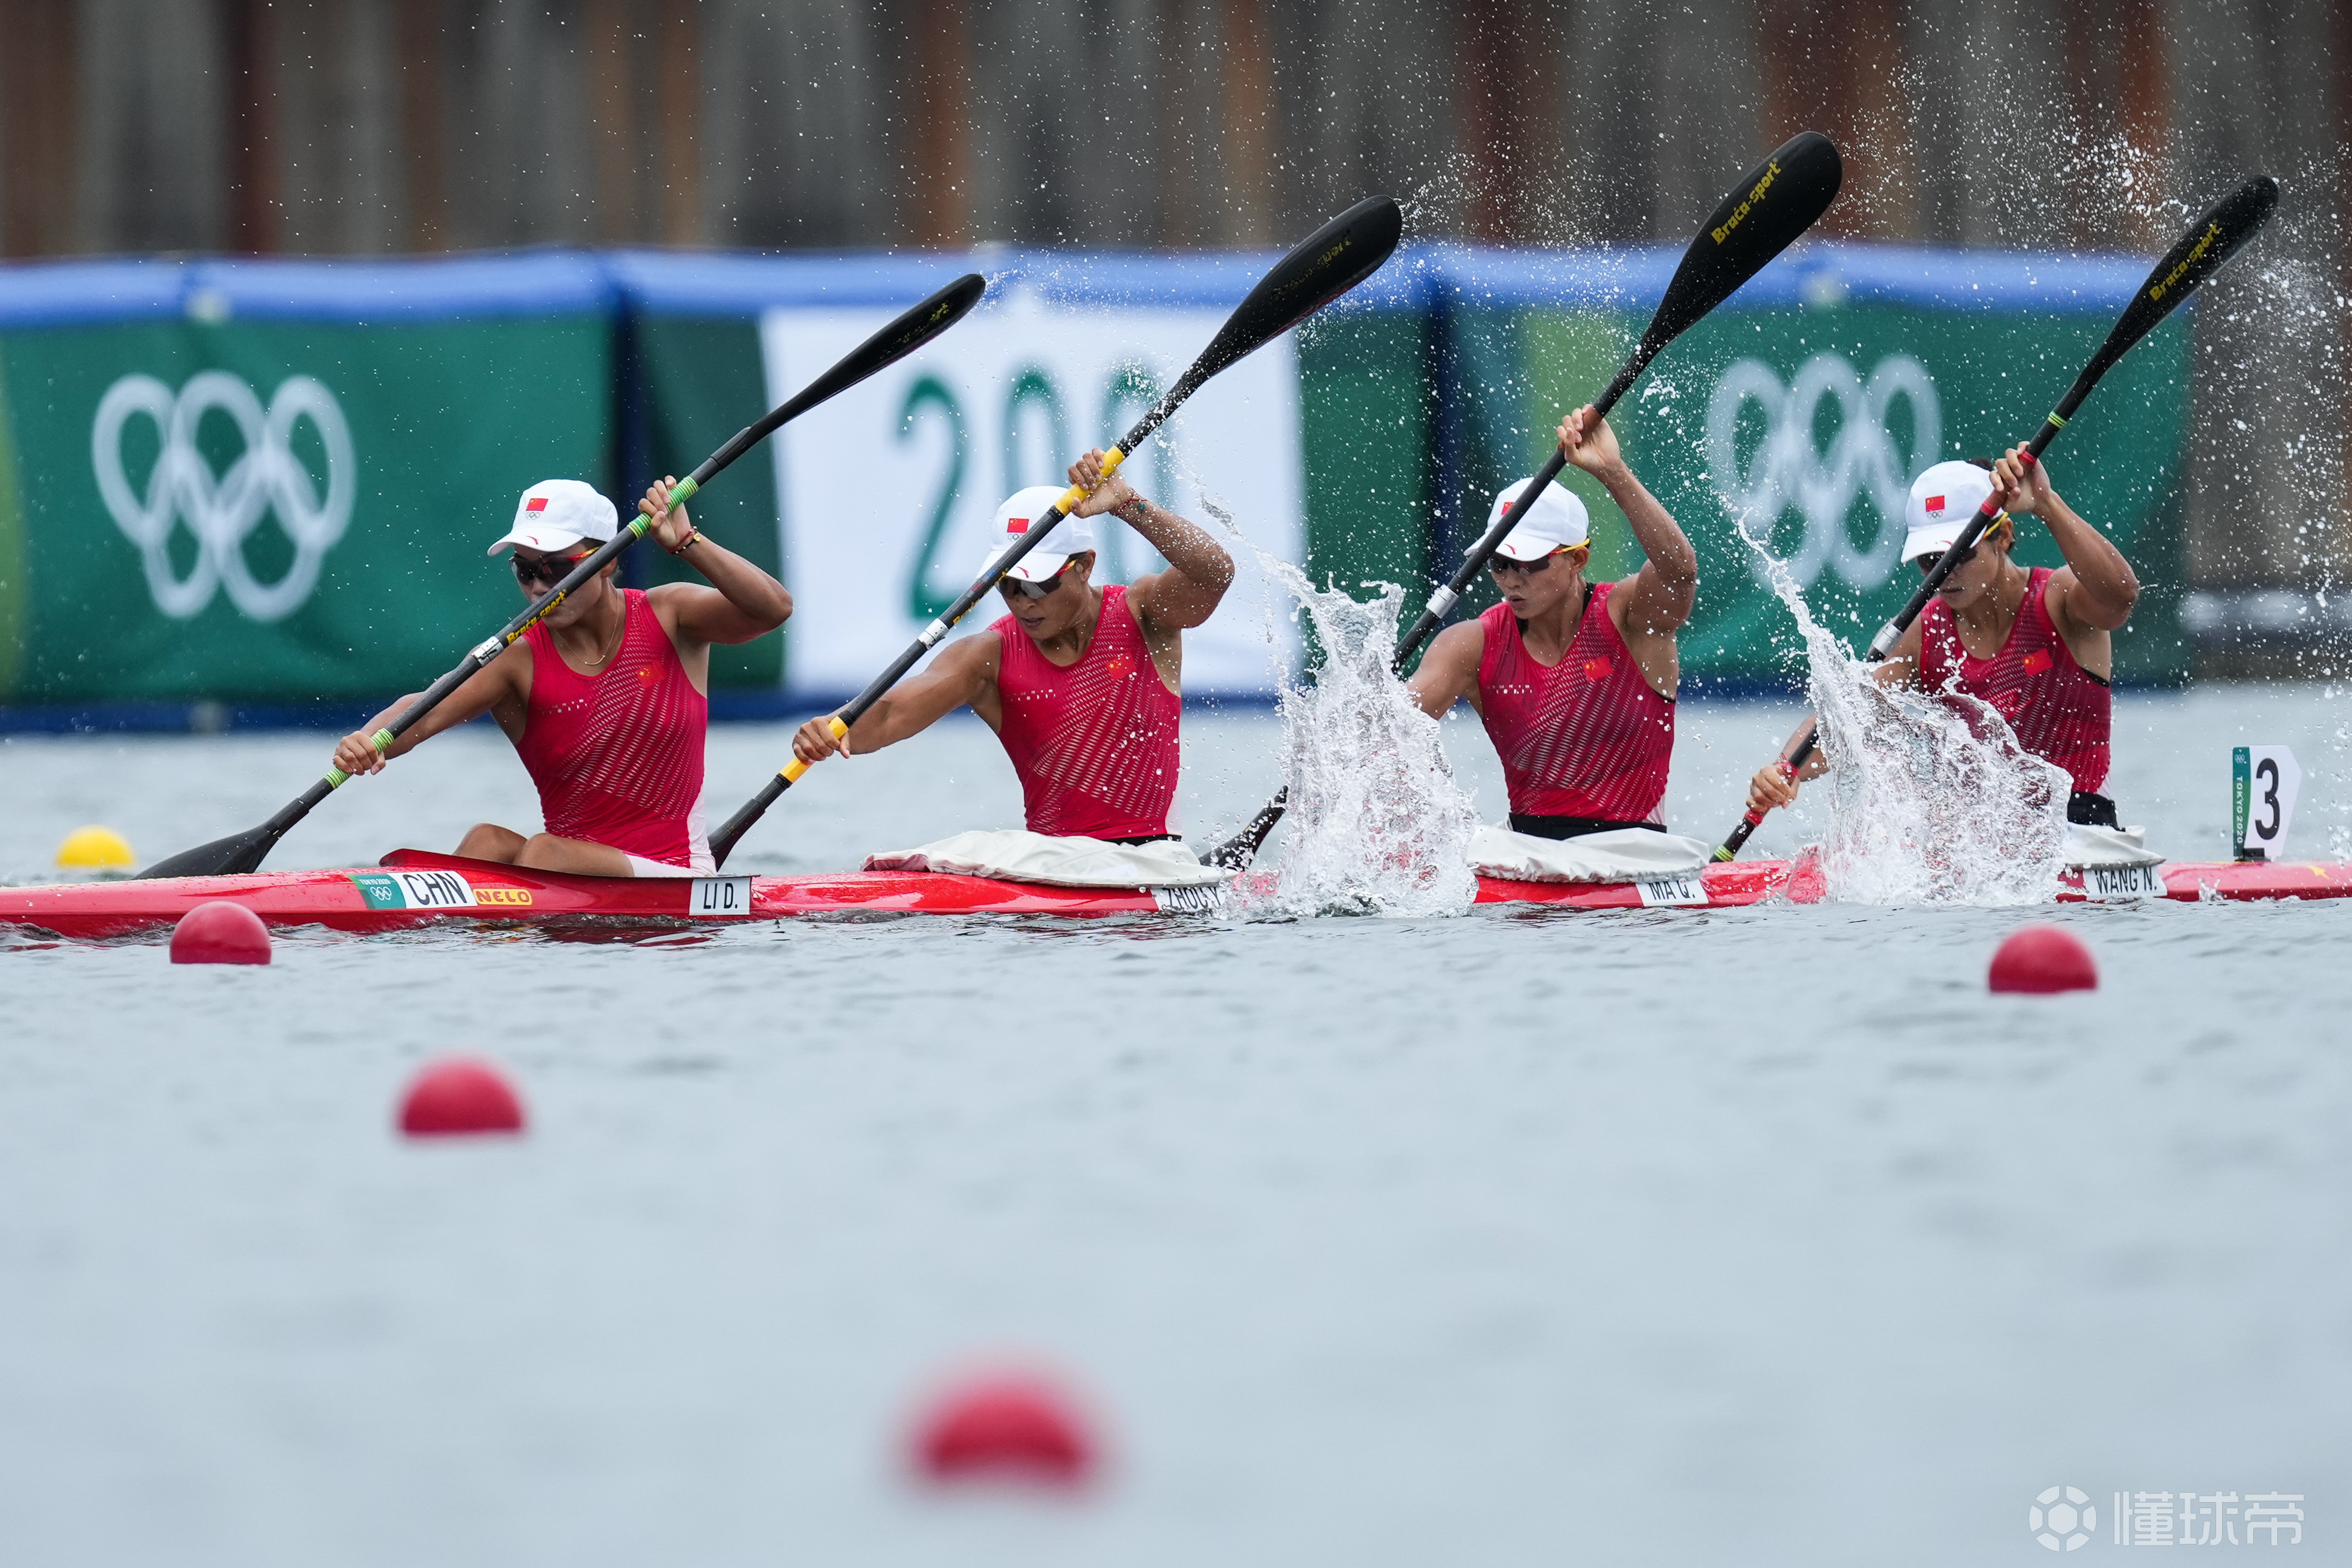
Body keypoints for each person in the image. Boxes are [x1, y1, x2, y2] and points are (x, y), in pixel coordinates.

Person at [331, 476, 792, 875]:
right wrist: (370, 739)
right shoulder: (516, 658)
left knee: (544, 852)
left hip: (673, 873)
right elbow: (426, 708)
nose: (538, 587)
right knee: (485, 842)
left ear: (607, 560)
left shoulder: (670, 616)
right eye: (525, 570)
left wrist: (688, 541)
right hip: (559, 871)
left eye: (554, 568)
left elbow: (774, 608)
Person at [789, 451, 1233, 842]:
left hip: (1155, 861)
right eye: (1007, 583)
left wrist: (1129, 505)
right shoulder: (988, 654)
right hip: (1052, 868)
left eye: (1037, 583)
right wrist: (833, 728)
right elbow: (888, 712)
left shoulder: (1143, 614)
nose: (1022, 601)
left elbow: (1215, 573)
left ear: (1084, 566)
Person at [1743, 450, 2137, 826]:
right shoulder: (1924, 633)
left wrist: (2047, 504)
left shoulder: (2059, 600)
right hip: (1987, 854)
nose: (1943, 573)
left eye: (1957, 556)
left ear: (2003, 538)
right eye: (1929, 561)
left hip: (2083, 830)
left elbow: (2122, 595)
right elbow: (1850, 717)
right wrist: (1785, 768)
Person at [1405, 406, 1699, 837]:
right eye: (1498, 563)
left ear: (1577, 559)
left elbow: (1679, 572)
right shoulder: (1471, 645)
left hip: (1635, 858)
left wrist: (1614, 473)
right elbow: (1395, 727)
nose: (1509, 580)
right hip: (1528, 863)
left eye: (1526, 563)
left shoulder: (1630, 619)